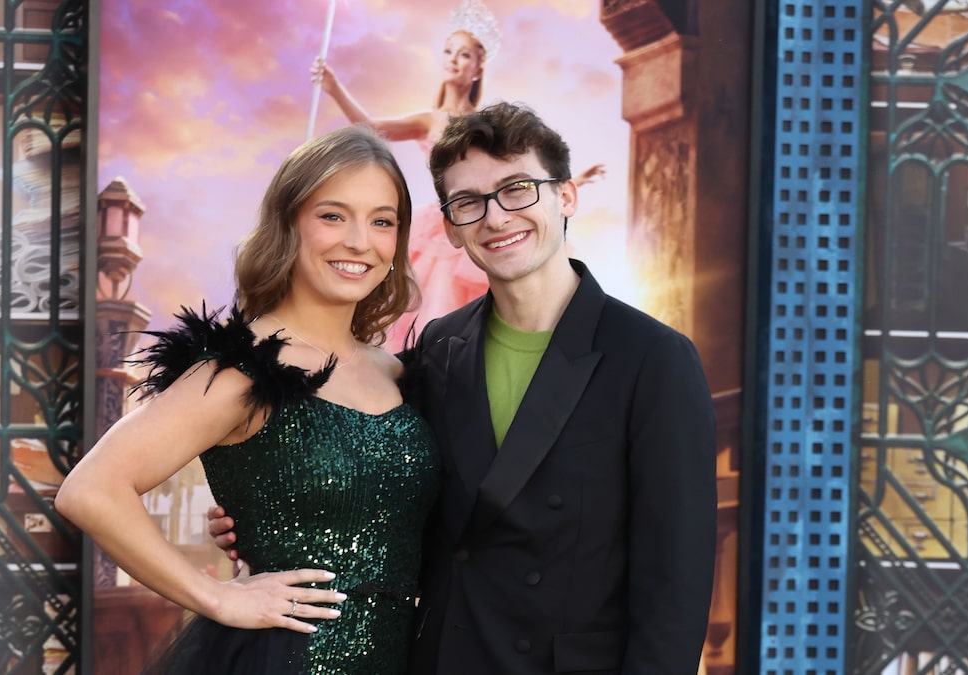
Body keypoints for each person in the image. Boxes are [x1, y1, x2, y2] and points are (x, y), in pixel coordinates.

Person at [211, 102, 718, 674]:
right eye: (469, 202)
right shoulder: (437, 348)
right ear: (449, 227)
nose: (496, 217)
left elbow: (674, 595)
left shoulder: (653, 358)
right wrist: (268, 499)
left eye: (517, 189)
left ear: (566, 197)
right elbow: (376, 467)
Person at [55, 125, 440, 674]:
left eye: (383, 221)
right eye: (333, 216)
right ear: (288, 224)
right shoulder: (244, 370)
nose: (360, 241)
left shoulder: (397, 372)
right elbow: (90, 490)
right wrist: (216, 598)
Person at [311, 0, 604, 347]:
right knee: (425, 306)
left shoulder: (485, 125)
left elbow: (513, 174)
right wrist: (334, 87)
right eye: (449, 51)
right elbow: (371, 126)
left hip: (476, 217)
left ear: (478, 68)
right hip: (442, 225)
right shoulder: (430, 119)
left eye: (464, 54)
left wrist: (569, 180)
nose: (453, 59)